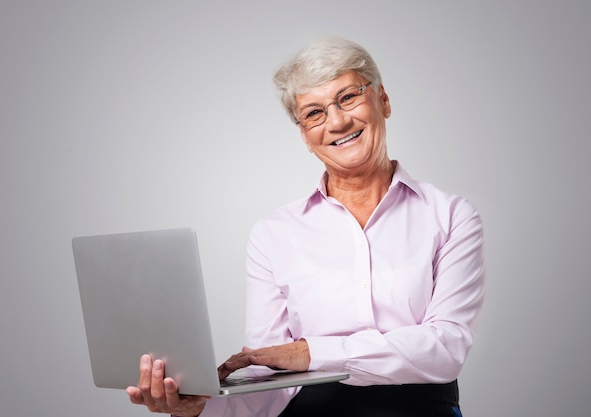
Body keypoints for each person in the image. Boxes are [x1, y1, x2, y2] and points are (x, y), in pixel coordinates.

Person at [126, 36, 485, 417]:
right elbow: (270, 384)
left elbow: (445, 349)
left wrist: (311, 352)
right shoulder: (273, 234)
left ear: (383, 100)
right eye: (314, 113)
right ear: (305, 136)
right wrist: (197, 407)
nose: (337, 121)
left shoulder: (450, 216)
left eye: (348, 97)